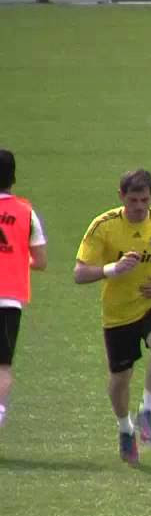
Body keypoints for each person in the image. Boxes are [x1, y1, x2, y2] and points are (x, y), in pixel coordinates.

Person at [74, 169, 151, 466]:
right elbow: (80, 273)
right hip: (118, 311)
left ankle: (147, 410)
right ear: (121, 196)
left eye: (145, 199)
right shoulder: (104, 226)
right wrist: (113, 269)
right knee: (119, 379)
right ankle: (125, 427)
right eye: (134, 199)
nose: (139, 206)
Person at [0, 150, 49, 429]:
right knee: (2, 367)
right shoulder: (25, 212)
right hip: (8, 300)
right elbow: (40, 261)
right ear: (13, 178)